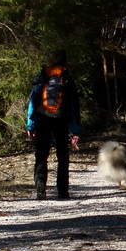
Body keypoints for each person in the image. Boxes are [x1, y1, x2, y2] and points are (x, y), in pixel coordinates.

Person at [26, 49, 81, 199]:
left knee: (41, 154)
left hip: (42, 118)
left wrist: (30, 124)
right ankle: (62, 191)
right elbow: (74, 107)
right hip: (61, 120)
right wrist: (76, 131)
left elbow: (33, 101)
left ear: (51, 60)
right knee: (62, 155)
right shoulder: (67, 79)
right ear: (65, 60)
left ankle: (40, 187)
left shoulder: (42, 76)